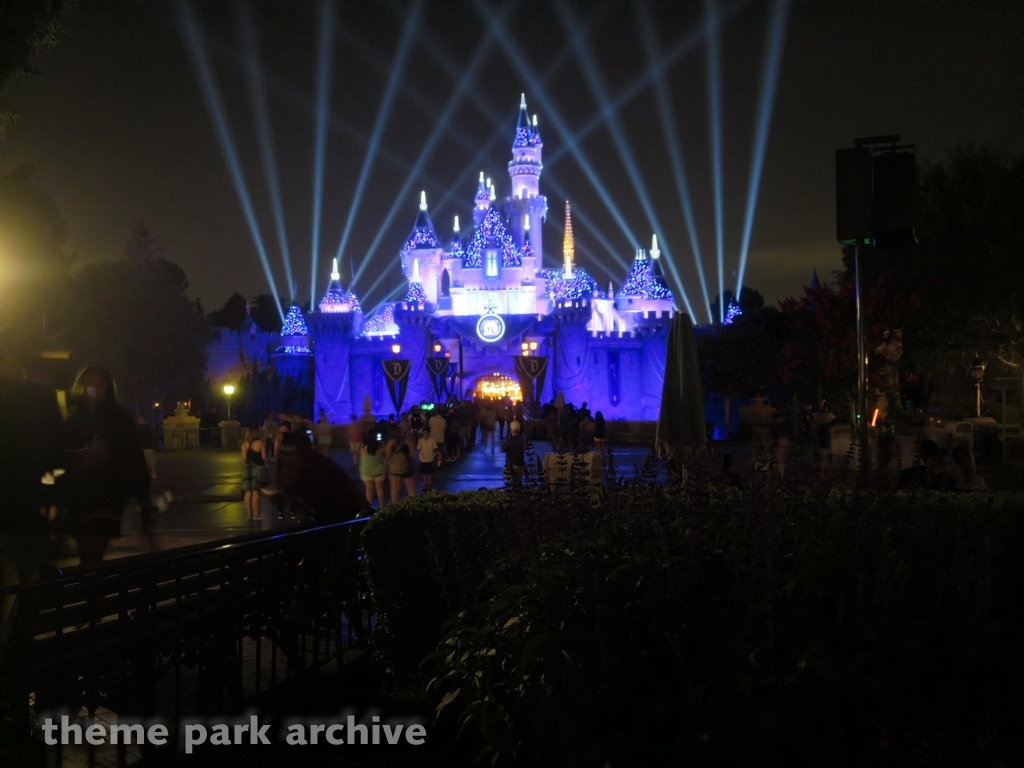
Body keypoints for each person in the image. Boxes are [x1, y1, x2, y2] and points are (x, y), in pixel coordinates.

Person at [65, 367, 153, 567]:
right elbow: (58, 456)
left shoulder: (119, 420)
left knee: (92, 550)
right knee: (87, 553)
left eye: (98, 384)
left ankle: (92, 591)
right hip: (79, 499)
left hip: (107, 497)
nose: (92, 388)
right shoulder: (73, 421)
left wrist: (144, 500)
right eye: (88, 383)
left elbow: (134, 459)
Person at [240, 425, 268, 522]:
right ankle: (256, 514)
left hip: (247, 468)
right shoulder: (260, 443)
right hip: (258, 468)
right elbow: (264, 456)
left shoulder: (244, 444)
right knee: (256, 492)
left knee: (248, 492)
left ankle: (249, 514)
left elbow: (244, 458)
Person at [384, 431, 416, 503]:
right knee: (411, 488)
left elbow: (387, 457)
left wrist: (386, 469)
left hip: (394, 468)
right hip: (406, 467)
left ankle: (394, 507)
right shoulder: (407, 442)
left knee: (394, 489)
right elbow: (412, 455)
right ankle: (414, 505)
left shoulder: (390, 443)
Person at [360, 433, 387, 508]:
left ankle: (368, 506)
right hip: (379, 470)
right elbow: (385, 454)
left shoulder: (363, 446)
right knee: (379, 488)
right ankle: (382, 505)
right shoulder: (380, 446)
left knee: (369, 490)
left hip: (366, 470)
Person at [500, 421, 527, 486]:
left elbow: (501, 449)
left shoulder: (510, 441)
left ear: (511, 430)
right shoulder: (522, 440)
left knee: (510, 482)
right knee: (519, 481)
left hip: (512, 466)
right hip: (521, 465)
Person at [137, 414, 158, 480]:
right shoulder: (146, 428)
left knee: (149, 461)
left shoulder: (144, 428)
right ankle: (153, 474)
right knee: (150, 461)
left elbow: (141, 437)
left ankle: (153, 474)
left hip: (147, 447)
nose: (139, 421)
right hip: (148, 447)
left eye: (140, 419)